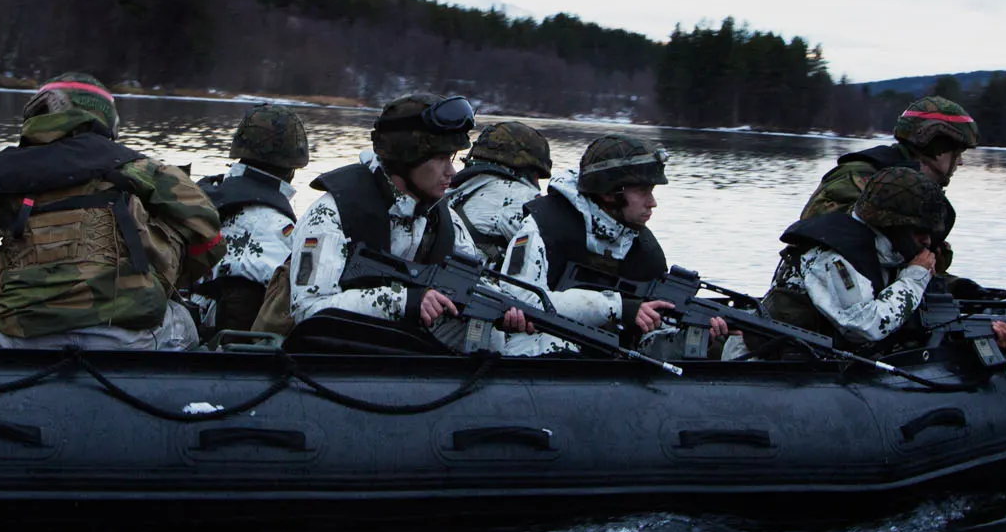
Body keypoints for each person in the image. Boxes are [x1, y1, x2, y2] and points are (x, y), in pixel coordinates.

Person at [0, 72, 224, 350]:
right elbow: (208, 235)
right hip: (128, 338)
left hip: (23, 339)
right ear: (106, 120)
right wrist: (165, 274)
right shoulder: (143, 171)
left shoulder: (3, 177)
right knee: (184, 321)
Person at [499, 134, 731, 353]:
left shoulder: (646, 251)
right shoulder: (544, 225)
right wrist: (617, 308)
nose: (652, 203)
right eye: (642, 191)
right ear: (610, 193)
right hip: (534, 355)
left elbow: (645, 344)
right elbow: (521, 301)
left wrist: (690, 339)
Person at [762, 165, 1006, 350]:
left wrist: (986, 332)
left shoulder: (886, 253)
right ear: (892, 225)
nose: (927, 242)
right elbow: (863, 326)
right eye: (920, 232)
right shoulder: (832, 257)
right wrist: (915, 277)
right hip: (784, 366)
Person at [284, 93, 481, 332]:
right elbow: (308, 309)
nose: (452, 171)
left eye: (451, 158)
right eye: (440, 159)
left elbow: (476, 283)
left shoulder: (443, 219)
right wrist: (402, 302)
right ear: (407, 157)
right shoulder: (333, 213)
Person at [799, 95, 977, 270]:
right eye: (957, 153)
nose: (960, 162)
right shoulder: (858, 177)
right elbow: (825, 241)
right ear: (938, 147)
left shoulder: (917, 188)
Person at [191, 103, 310, 334]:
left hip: (186, 327)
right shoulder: (278, 227)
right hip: (234, 345)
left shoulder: (204, 196)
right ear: (293, 167)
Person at [443, 120, 552, 266]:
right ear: (529, 169)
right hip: (479, 278)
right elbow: (554, 248)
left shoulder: (456, 186)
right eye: (537, 176)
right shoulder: (519, 196)